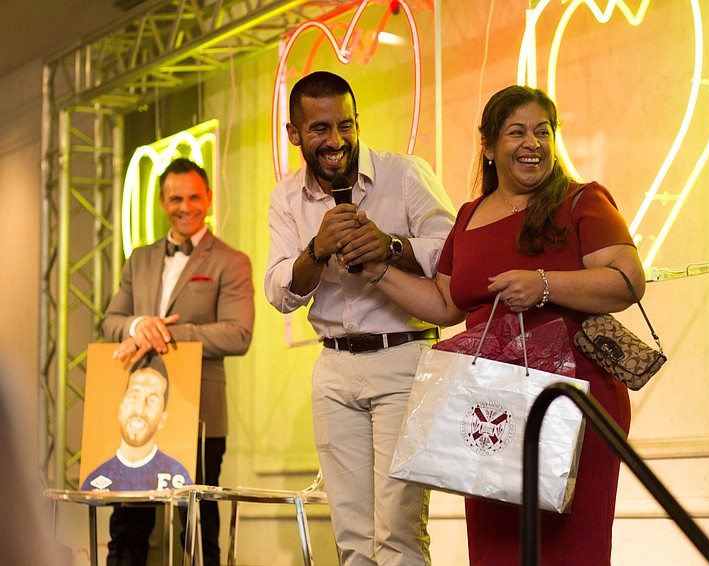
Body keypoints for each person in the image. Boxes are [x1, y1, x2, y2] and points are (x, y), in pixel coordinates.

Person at [355, 84, 645, 565]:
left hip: (574, 403)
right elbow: (446, 302)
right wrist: (378, 272)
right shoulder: (468, 216)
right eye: (517, 132)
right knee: (496, 551)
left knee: (569, 549)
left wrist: (545, 285)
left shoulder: (581, 200)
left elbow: (627, 280)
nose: (533, 143)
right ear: (488, 146)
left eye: (543, 131)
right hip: (488, 409)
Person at [264, 70, 456, 565]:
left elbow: (455, 255)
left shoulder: (407, 174)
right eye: (320, 129)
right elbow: (280, 291)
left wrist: (392, 246)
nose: (335, 141)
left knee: (398, 531)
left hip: (406, 356)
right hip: (332, 368)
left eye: (345, 126)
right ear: (294, 134)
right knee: (351, 537)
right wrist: (316, 250)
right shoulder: (286, 198)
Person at [102, 157, 254, 566]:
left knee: (198, 531)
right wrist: (139, 325)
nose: (184, 207)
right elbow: (110, 322)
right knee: (127, 529)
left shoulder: (231, 260)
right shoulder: (140, 258)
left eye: (192, 197)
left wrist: (168, 333)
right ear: (161, 201)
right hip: (140, 415)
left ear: (207, 197)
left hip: (200, 414)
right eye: (175, 199)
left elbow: (239, 334)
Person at [83, 353, 192, 492]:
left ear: (162, 418)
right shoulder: (94, 481)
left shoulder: (179, 478)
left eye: (152, 401)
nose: (140, 410)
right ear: (120, 408)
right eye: (134, 396)